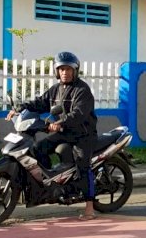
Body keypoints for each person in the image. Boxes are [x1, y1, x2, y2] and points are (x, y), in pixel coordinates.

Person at [7, 51, 98, 221]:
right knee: (37, 148)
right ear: (57, 71)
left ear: (75, 71)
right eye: (61, 69)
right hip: (63, 133)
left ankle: (89, 208)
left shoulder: (82, 90)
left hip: (83, 135)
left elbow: (78, 114)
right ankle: (49, 184)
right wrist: (19, 108)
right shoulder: (56, 89)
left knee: (83, 166)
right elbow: (40, 102)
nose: (65, 72)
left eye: (68, 69)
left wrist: (61, 122)